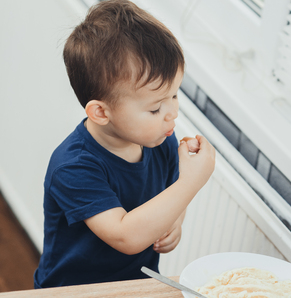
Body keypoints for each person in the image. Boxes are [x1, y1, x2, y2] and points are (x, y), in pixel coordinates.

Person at [34, 0, 215, 288]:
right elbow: (125, 236)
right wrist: (192, 183)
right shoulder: (73, 166)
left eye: (174, 95)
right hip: (73, 291)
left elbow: (171, 193)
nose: (172, 113)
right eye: (155, 108)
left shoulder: (160, 141)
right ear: (102, 112)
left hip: (136, 284)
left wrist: (176, 220)